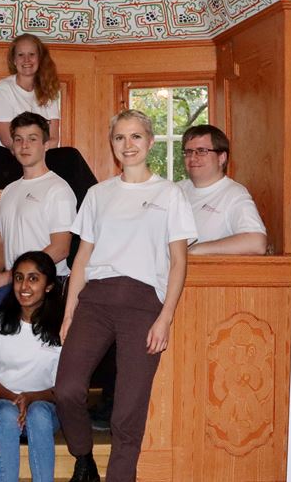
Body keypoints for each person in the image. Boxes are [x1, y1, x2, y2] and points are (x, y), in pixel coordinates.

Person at [55, 109, 197, 482]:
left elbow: (179, 261)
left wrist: (165, 317)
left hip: (143, 305)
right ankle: (83, 457)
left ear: (150, 142)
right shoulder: (98, 194)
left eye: (136, 136)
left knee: (127, 411)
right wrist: (69, 314)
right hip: (95, 301)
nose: (128, 144)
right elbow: (81, 259)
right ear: (112, 144)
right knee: (67, 389)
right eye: (120, 137)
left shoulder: (170, 194)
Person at [0, 112, 75, 346]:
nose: (24, 145)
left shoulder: (58, 189)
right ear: (12, 147)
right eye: (18, 139)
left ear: (46, 144)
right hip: (12, 280)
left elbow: (61, 248)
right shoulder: (10, 190)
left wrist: (9, 276)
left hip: (44, 283)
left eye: (32, 139)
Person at [0, 251, 64, 482]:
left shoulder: (63, 329)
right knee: (7, 414)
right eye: (19, 278)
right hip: (5, 402)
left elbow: (65, 387)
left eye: (33, 278)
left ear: (48, 286)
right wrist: (17, 400)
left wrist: (32, 398)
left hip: (47, 406)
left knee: (38, 413)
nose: (24, 286)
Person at [0, 34, 96, 206]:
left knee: (70, 162)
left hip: (39, 158)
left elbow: (53, 139)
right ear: (14, 60)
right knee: (69, 158)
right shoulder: (4, 88)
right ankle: (94, 209)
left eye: (32, 54)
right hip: (8, 161)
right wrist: (33, 151)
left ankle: (92, 210)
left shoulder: (48, 90)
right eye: (21, 55)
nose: (26, 60)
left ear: (40, 58)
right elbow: (7, 140)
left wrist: (37, 154)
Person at [177, 125, 267, 255]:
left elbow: (257, 243)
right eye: (188, 152)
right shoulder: (176, 190)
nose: (193, 158)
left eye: (202, 151)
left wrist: (195, 250)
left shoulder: (234, 194)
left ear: (221, 158)